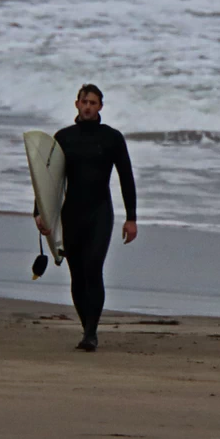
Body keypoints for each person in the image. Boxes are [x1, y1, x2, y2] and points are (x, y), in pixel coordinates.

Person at [35, 84, 137, 351]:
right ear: (77, 104)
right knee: (78, 275)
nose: (89, 106)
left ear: (101, 106)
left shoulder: (112, 138)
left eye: (93, 102)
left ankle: (91, 332)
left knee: (93, 267)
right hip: (72, 214)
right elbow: (48, 180)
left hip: (100, 211)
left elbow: (126, 177)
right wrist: (40, 213)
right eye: (85, 102)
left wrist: (131, 218)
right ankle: (86, 327)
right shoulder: (64, 138)